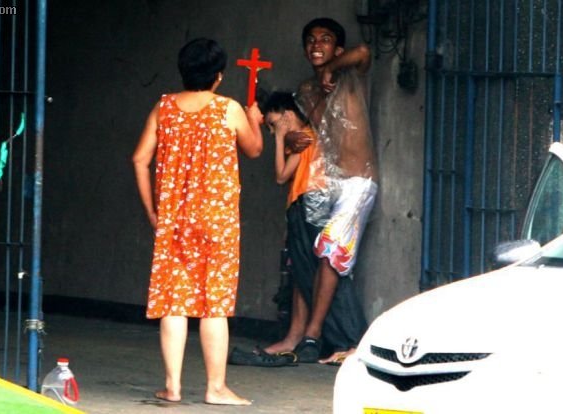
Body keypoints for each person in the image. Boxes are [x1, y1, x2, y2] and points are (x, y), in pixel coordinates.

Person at [132, 37, 263, 405]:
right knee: (214, 303)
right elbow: (254, 149)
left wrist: (153, 212)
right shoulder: (228, 109)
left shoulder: (164, 107)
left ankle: (172, 387)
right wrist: (254, 120)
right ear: (218, 76)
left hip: (174, 220)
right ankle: (215, 388)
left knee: (174, 302)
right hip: (217, 220)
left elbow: (139, 159)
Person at [265, 17, 378, 366]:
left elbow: (364, 52)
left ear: (337, 49)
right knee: (306, 256)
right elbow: (306, 132)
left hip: (356, 182)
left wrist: (331, 68)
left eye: (326, 39)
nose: (317, 45)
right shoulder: (306, 91)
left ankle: (314, 335)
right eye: (311, 40)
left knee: (330, 251)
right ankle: (298, 334)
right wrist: (292, 137)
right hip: (325, 182)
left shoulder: (351, 76)